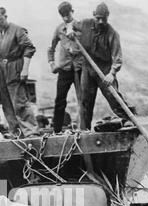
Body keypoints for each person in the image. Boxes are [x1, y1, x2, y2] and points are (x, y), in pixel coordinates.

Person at [73, 3, 133, 130]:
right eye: (98, 18)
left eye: (103, 19)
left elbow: (117, 57)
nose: (100, 21)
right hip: (87, 67)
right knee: (85, 100)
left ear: (108, 17)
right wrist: (69, 32)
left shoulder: (112, 33)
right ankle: (84, 130)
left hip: (105, 69)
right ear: (93, 15)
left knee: (113, 96)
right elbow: (71, 25)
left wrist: (112, 73)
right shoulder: (85, 24)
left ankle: (128, 120)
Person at [0, 7, 38, 138]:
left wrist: (25, 69)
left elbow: (29, 48)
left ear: (6, 17)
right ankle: (16, 132)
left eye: (0, 19)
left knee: (20, 103)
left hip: (15, 69)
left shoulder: (17, 30)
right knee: (7, 104)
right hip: (2, 73)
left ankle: (31, 132)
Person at [48, 2, 83, 133]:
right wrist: (52, 63)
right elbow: (50, 48)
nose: (65, 18)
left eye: (67, 15)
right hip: (64, 70)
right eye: (63, 16)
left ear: (72, 11)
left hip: (79, 69)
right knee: (60, 100)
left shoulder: (81, 27)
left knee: (83, 99)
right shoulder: (59, 29)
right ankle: (56, 130)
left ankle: (84, 128)